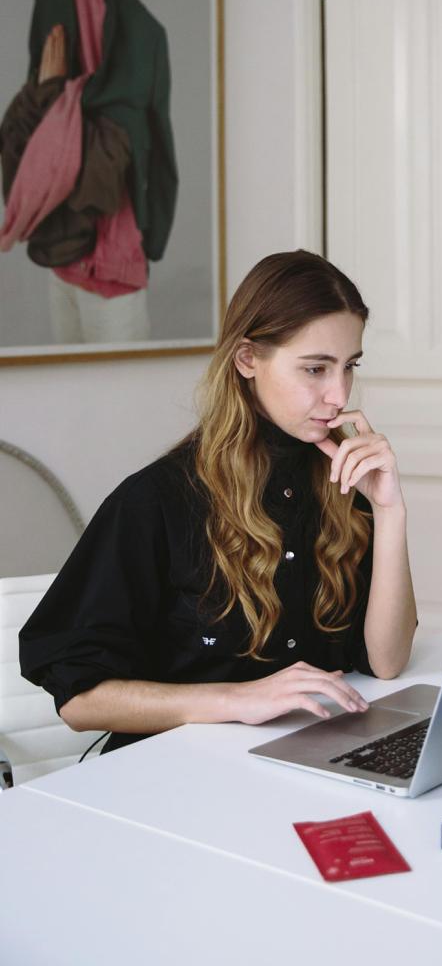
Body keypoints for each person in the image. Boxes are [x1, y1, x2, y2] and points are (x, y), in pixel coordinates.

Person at [19, 251, 417, 753]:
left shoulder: (342, 482)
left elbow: (387, 661)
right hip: (174, 777)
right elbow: (80, 701)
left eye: (349, 367)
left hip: (307, 756)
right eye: (315, 369)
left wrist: (389, 510)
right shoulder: (157, 500)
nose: (338, 395)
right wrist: (238, 700)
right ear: (248, 358)